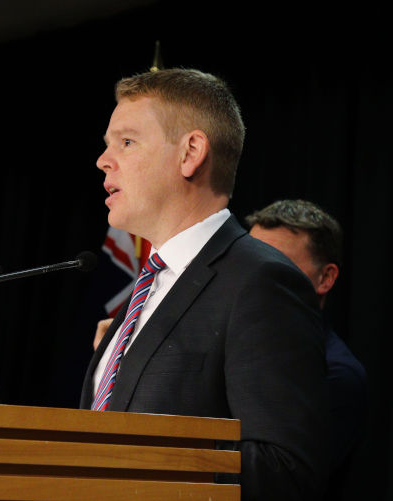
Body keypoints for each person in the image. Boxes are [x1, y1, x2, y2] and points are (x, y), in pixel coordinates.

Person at [80, 69, 328, 501]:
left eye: (126, 142)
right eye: (106, 145)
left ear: (190, 153)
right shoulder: (146, 292)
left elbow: (283, 471)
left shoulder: (260, 282)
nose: (103, 160)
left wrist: (130, 462)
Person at [246, 199, 367, 496]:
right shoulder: (226, 341)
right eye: (248, 262)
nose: (253, 279)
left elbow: (280, 485)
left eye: (277, 266)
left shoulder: (339, 376)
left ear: (326, 278)